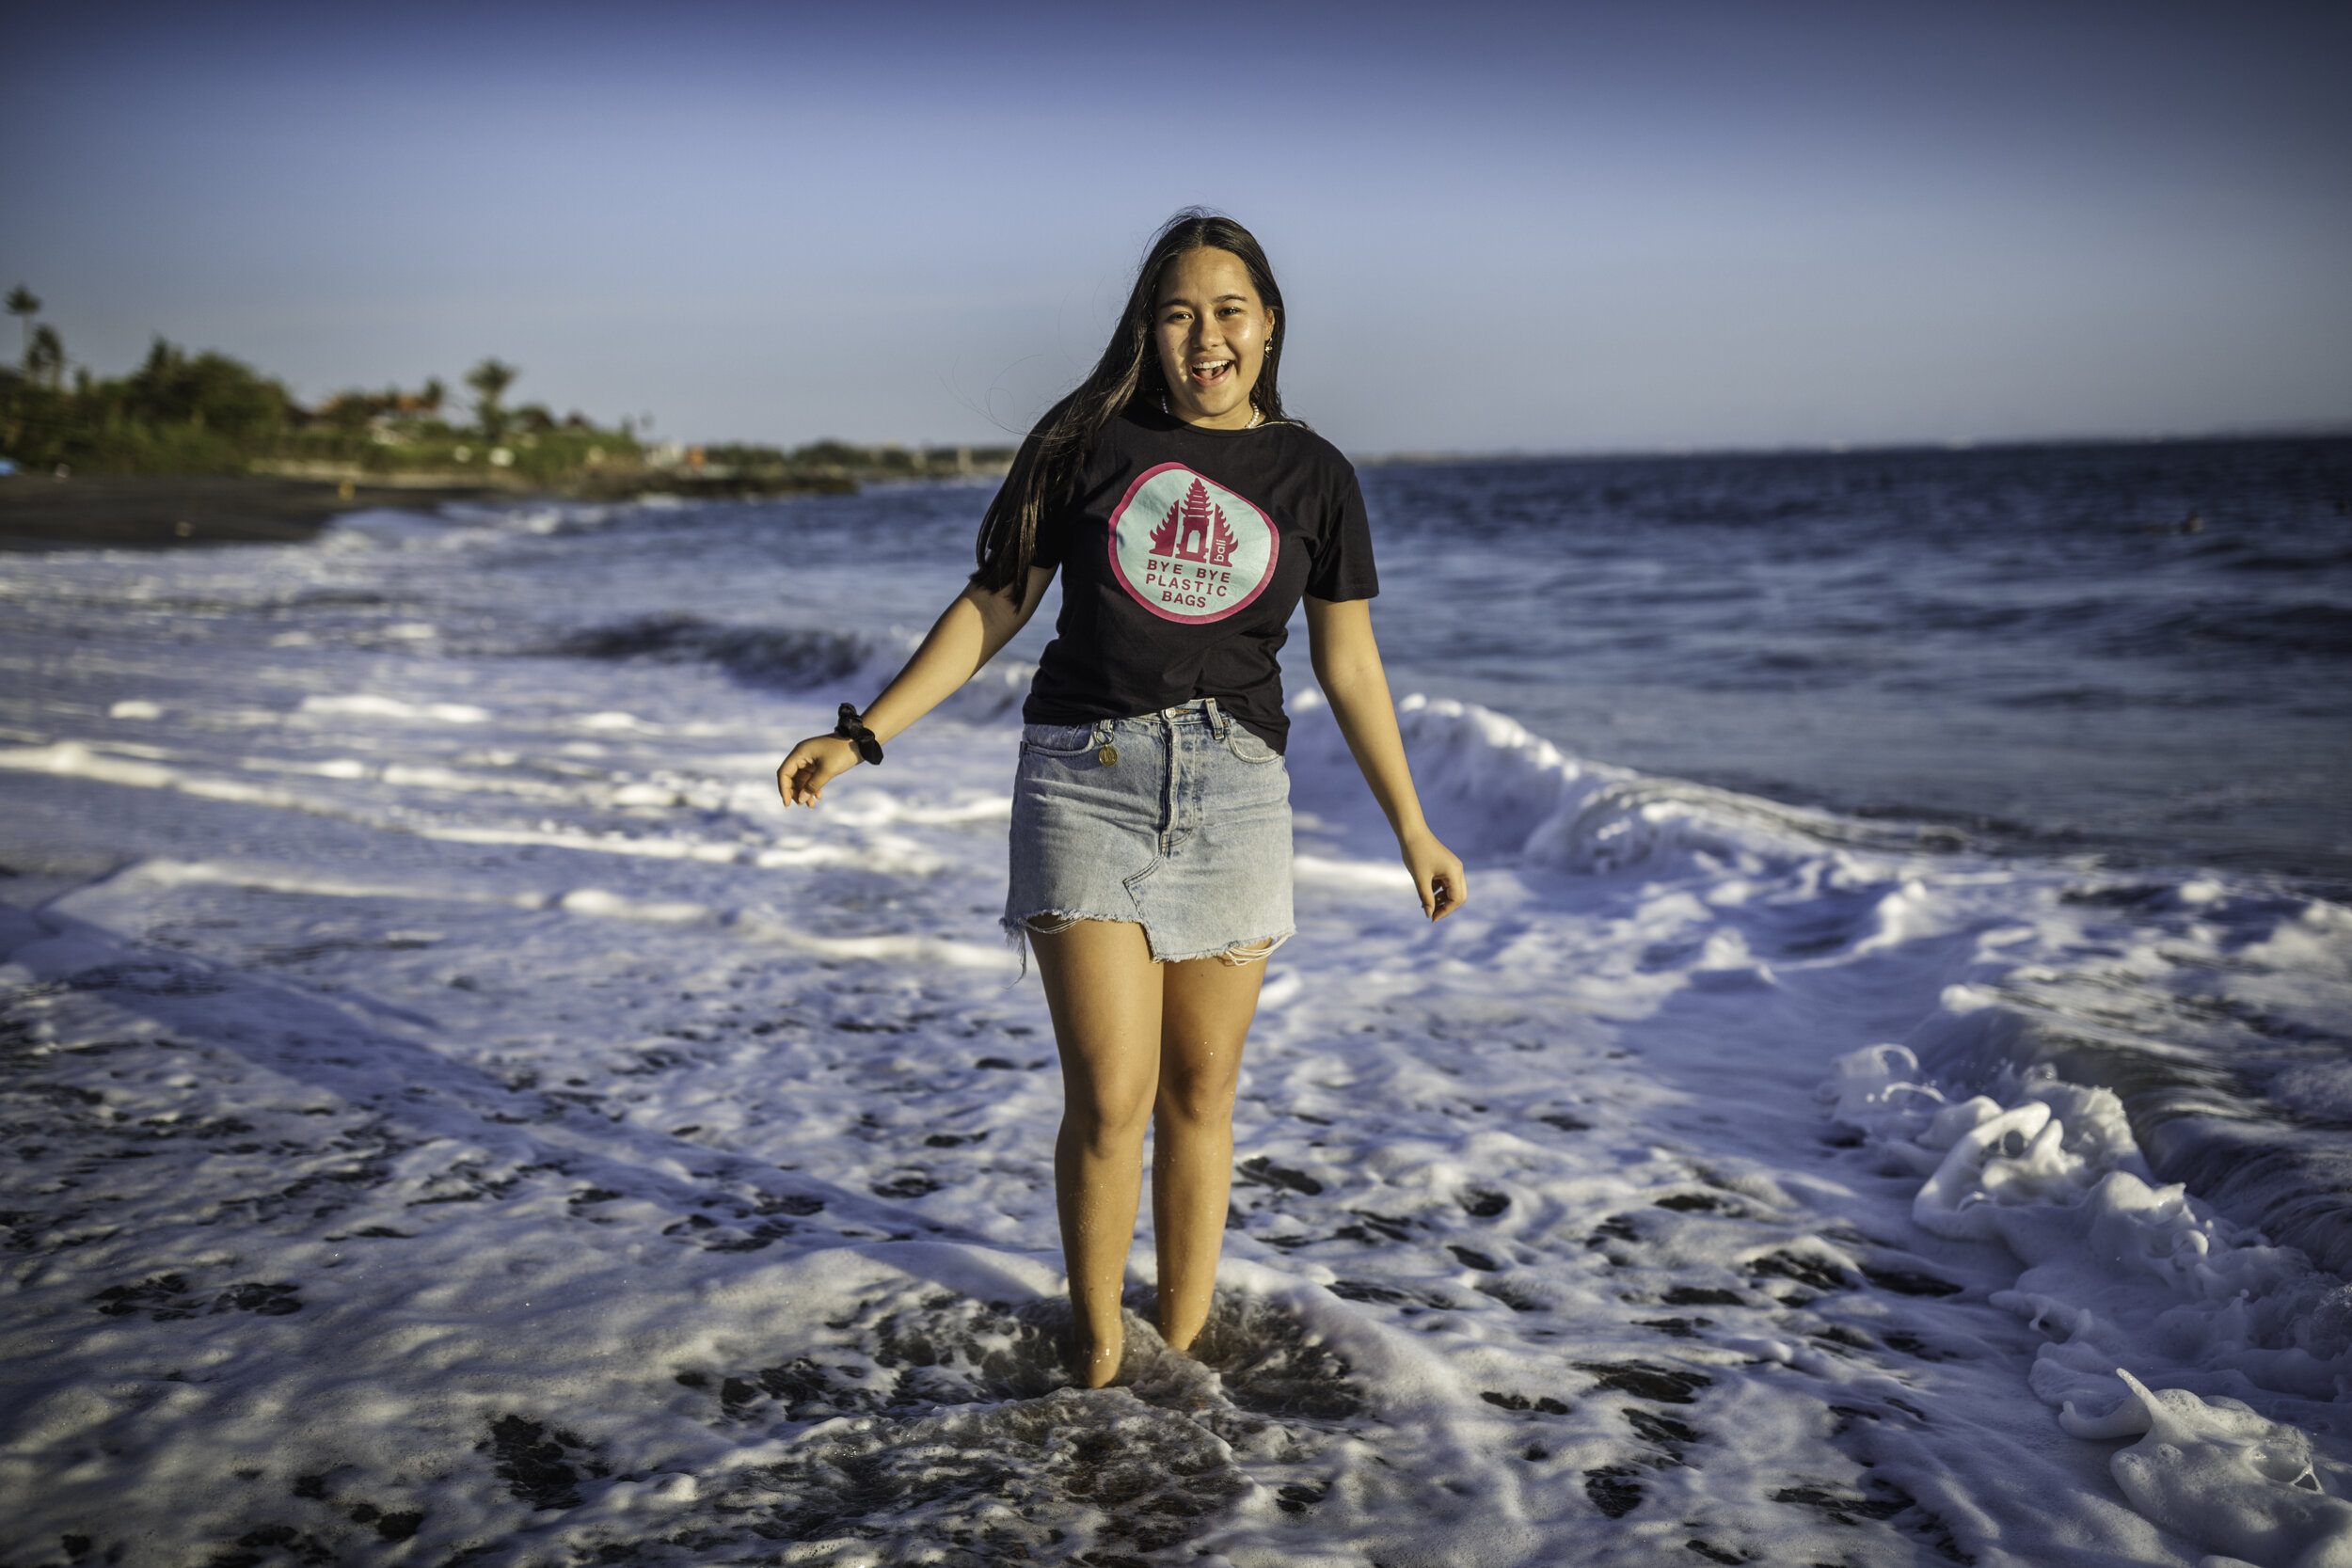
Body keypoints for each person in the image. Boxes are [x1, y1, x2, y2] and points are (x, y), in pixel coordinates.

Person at [776, 210, 1465, 1387]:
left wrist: (1413, 823)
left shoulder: (1316, 475)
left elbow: (1348, 662)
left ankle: (1185, 1354)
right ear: (1147, 330)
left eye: (1228, 309)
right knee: (1113, 1095)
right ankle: (1097, 1353)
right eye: (1178, 312)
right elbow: (996, 601)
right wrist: (863, 734)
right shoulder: (1085, 441)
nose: (1206, 336)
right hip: (1083, 782)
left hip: (1237, 795)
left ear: (1270, 324)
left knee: (1201, 1092)